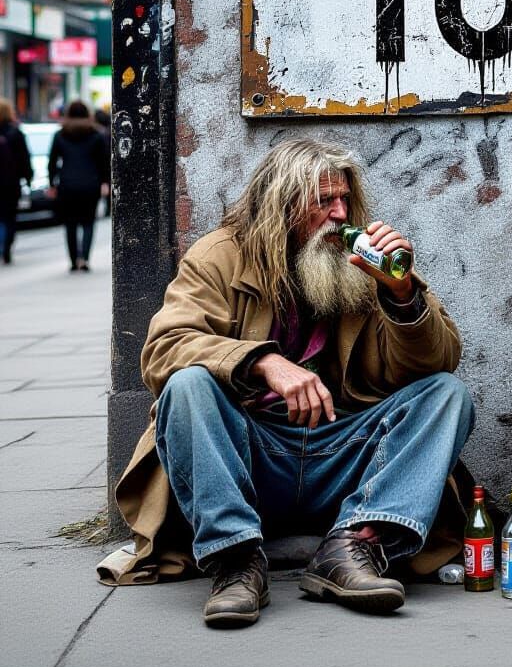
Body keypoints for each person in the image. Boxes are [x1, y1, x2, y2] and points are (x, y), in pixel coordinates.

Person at [98, 139, 474, 629]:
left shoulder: (362, 262)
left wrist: (402, 294)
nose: (340, 214)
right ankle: (235, 561)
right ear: (282, 204)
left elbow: (438, 359)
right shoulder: (218, 257)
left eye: (344, 200)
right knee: (187, 386)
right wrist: (261, 362)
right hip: (250, 452)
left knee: (447, 394)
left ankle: (354, 546)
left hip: (341, 453)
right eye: (323, 202)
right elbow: (164, 349)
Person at [47, 100, 109, 271]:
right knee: (88, 222)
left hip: (67, 185)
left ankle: (74, 260)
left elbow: (52, 162)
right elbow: (103, 162)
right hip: (90, 185)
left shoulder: (60, 135)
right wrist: (105, 182)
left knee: (70, 224)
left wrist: (52, 183)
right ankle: (85, 259)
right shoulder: (96, 135)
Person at [0, 98, 33, 265]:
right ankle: (6, 246)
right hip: (10, 183)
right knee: (9, 217)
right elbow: (24, 159)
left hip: (8, 183)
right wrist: (28, 178)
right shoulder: (16, 133)